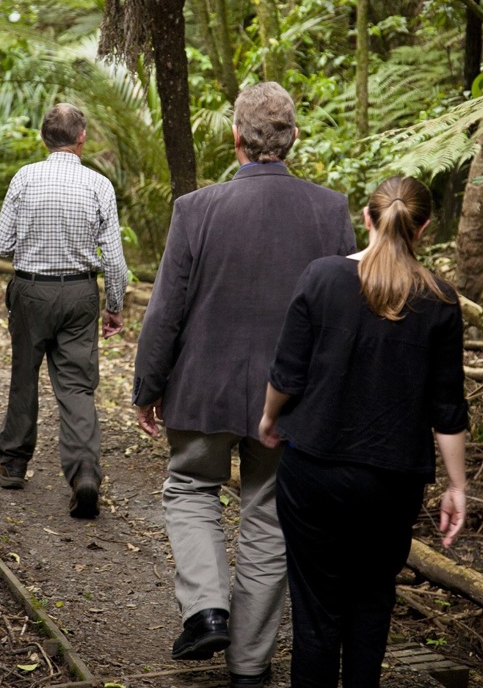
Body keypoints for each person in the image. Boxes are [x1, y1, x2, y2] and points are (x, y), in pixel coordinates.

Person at [133, 82, 357, 688]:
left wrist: (147, 386)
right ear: (294, 139)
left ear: (235, 137)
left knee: (190, 489)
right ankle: (250, 665)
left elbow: (166, 310)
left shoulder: (196, 209)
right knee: (270, 515)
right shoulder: (329, 210)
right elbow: (343, 314)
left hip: (202, 390)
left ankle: (207, 610)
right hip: (292, 400)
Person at [260, 174, 468, 688]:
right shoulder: (440, 299)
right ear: (423, 228)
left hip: (314, 471)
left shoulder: (322, 276)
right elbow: (447, 407)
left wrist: (269, 418)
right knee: (372, 604)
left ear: (367, 219)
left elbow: (288, 374)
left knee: (316, 611)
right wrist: (457, 485)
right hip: (392, 482)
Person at [0, 102, 128, 519]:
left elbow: (2, 244)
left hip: (31, 291)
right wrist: (115, 306)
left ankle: (14, 466)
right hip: (80, 295)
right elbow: (115, 261)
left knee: (24, 376)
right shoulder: (99, 185)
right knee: (77, 386)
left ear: (43, 138)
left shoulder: (25, 177)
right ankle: (84, 472)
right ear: (81, 138)